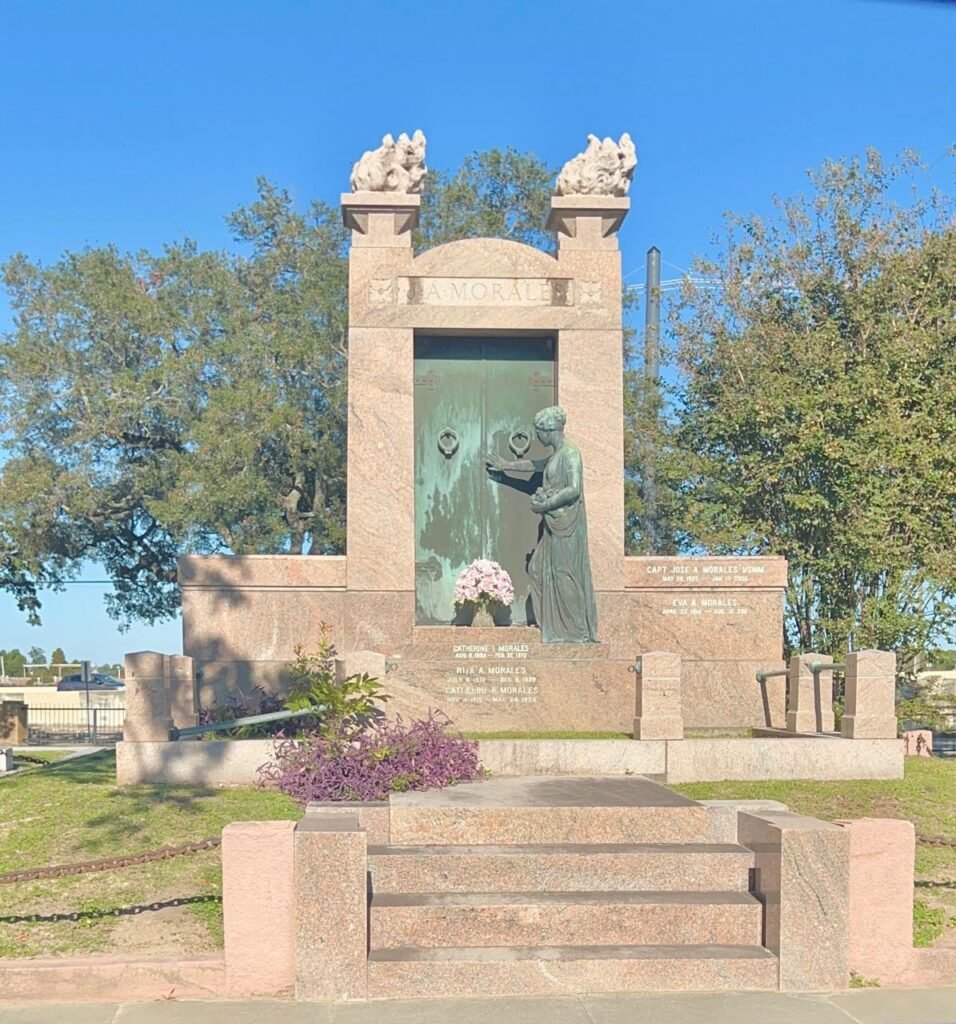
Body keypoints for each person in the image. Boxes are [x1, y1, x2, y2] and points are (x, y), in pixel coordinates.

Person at [486, 406, 598, 643]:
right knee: (537, 569)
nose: (537, 437)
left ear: (549, 430)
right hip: (553, 524)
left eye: (539, 432)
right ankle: (553, 624)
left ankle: (576, 630)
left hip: (566, 527)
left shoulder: (570, 453)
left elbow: (574, 488)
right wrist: (506, 466)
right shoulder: (556, 455)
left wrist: (545, 504)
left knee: (564, 574)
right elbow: (535, 465)